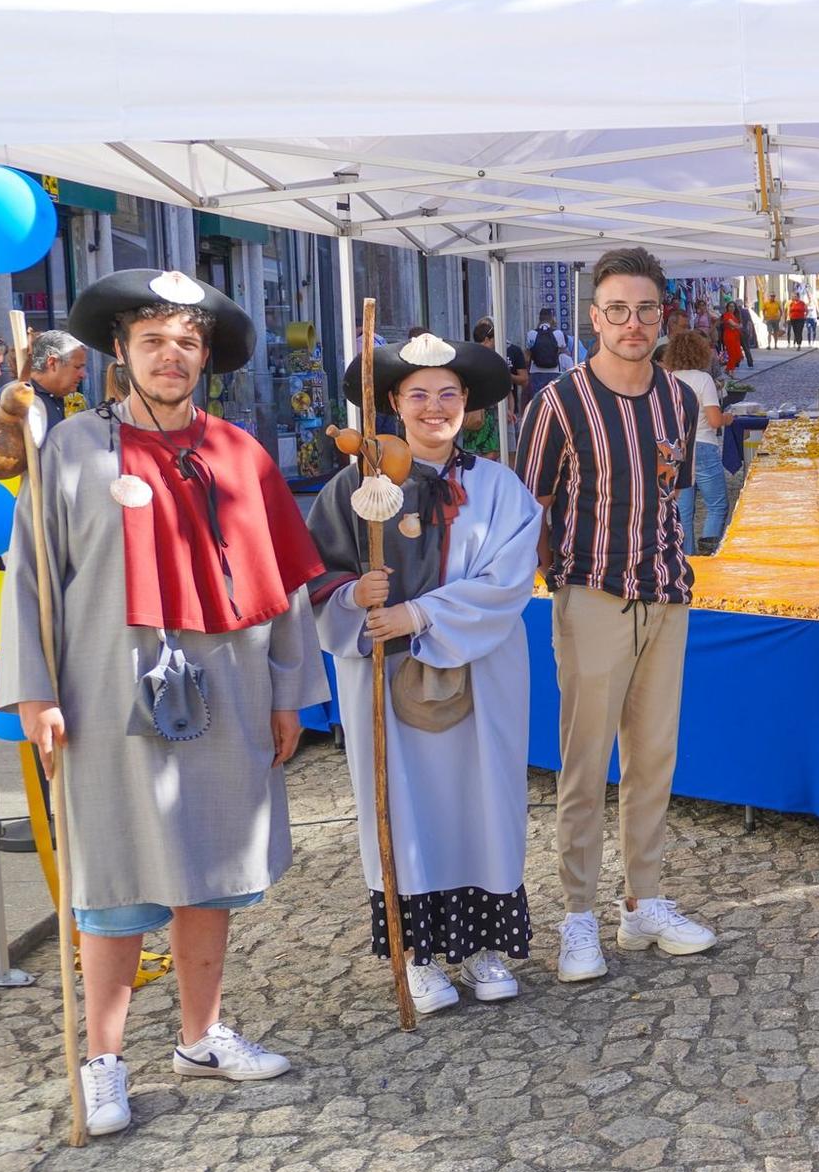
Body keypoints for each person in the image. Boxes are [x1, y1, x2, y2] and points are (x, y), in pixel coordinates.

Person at [0, 268, 329, 1137]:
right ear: (121, 351)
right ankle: (103, 1061)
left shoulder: (242, 453)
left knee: (209, 867)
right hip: (105, 692)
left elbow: (286, 589)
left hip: (229, 687)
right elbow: (32, 582)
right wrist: (34, 691)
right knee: (112, 874)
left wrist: (291, 693)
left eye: (187, 341)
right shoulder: (72, 452)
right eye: (153, 340)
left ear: (206, 357)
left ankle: (200, 1035)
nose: (171, 356)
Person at [307, 334, 543, 1014]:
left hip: (482, 670)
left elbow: (506, 580)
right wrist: (357, 596)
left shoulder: (497, 487)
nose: (434, 407)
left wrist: (419, 614)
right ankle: (418, 956)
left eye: (448, 394)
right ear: (391, 403)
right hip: (383, 678)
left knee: (483, 799)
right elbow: (317, 577)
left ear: (468, 404)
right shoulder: (355, 488)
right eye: (418, 394)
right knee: (405, 805)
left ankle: (483, 944)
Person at [516, 246, 717, 985]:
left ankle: (644, 900)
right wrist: (557, 590)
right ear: (594, 317)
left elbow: (675, 495)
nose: (632, 323)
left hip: (666, 597)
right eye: (617, 310)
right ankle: (577, 914)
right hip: (591, 597)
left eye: (646, 309)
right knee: (584, 764)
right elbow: (530, 510)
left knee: (653, 760)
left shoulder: (679, 399)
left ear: (663, 315)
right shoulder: (556, 404)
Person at [664, 328, 731, 553]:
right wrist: (728, 418)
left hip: (674, 449)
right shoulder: (704, 379)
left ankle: (687, 559)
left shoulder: (666, 380)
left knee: (683, 512)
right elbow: (713, 420)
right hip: (702, 444)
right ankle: (708, 551)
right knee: (717, 505)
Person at [459, 318, 508, 460]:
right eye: (494, 340)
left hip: (472, 407)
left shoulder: (468, 355)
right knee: (491, 450)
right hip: (485, 408)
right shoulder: (488, 358)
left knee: (473, 448)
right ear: (487, 339)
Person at [27, 330, 89, 428]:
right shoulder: (19, 397)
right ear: (52, 363)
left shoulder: (57, 397)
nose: (83, 375)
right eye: (77, 367)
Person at [526, 308, 571, 399]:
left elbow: (527, 356)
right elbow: (564, 352)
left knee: (538, 402)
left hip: (536, 373)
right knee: (553, 400)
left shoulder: (532, 334)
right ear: (552, 318)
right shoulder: (558, 333)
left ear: (540, 319)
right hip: (554, 372)